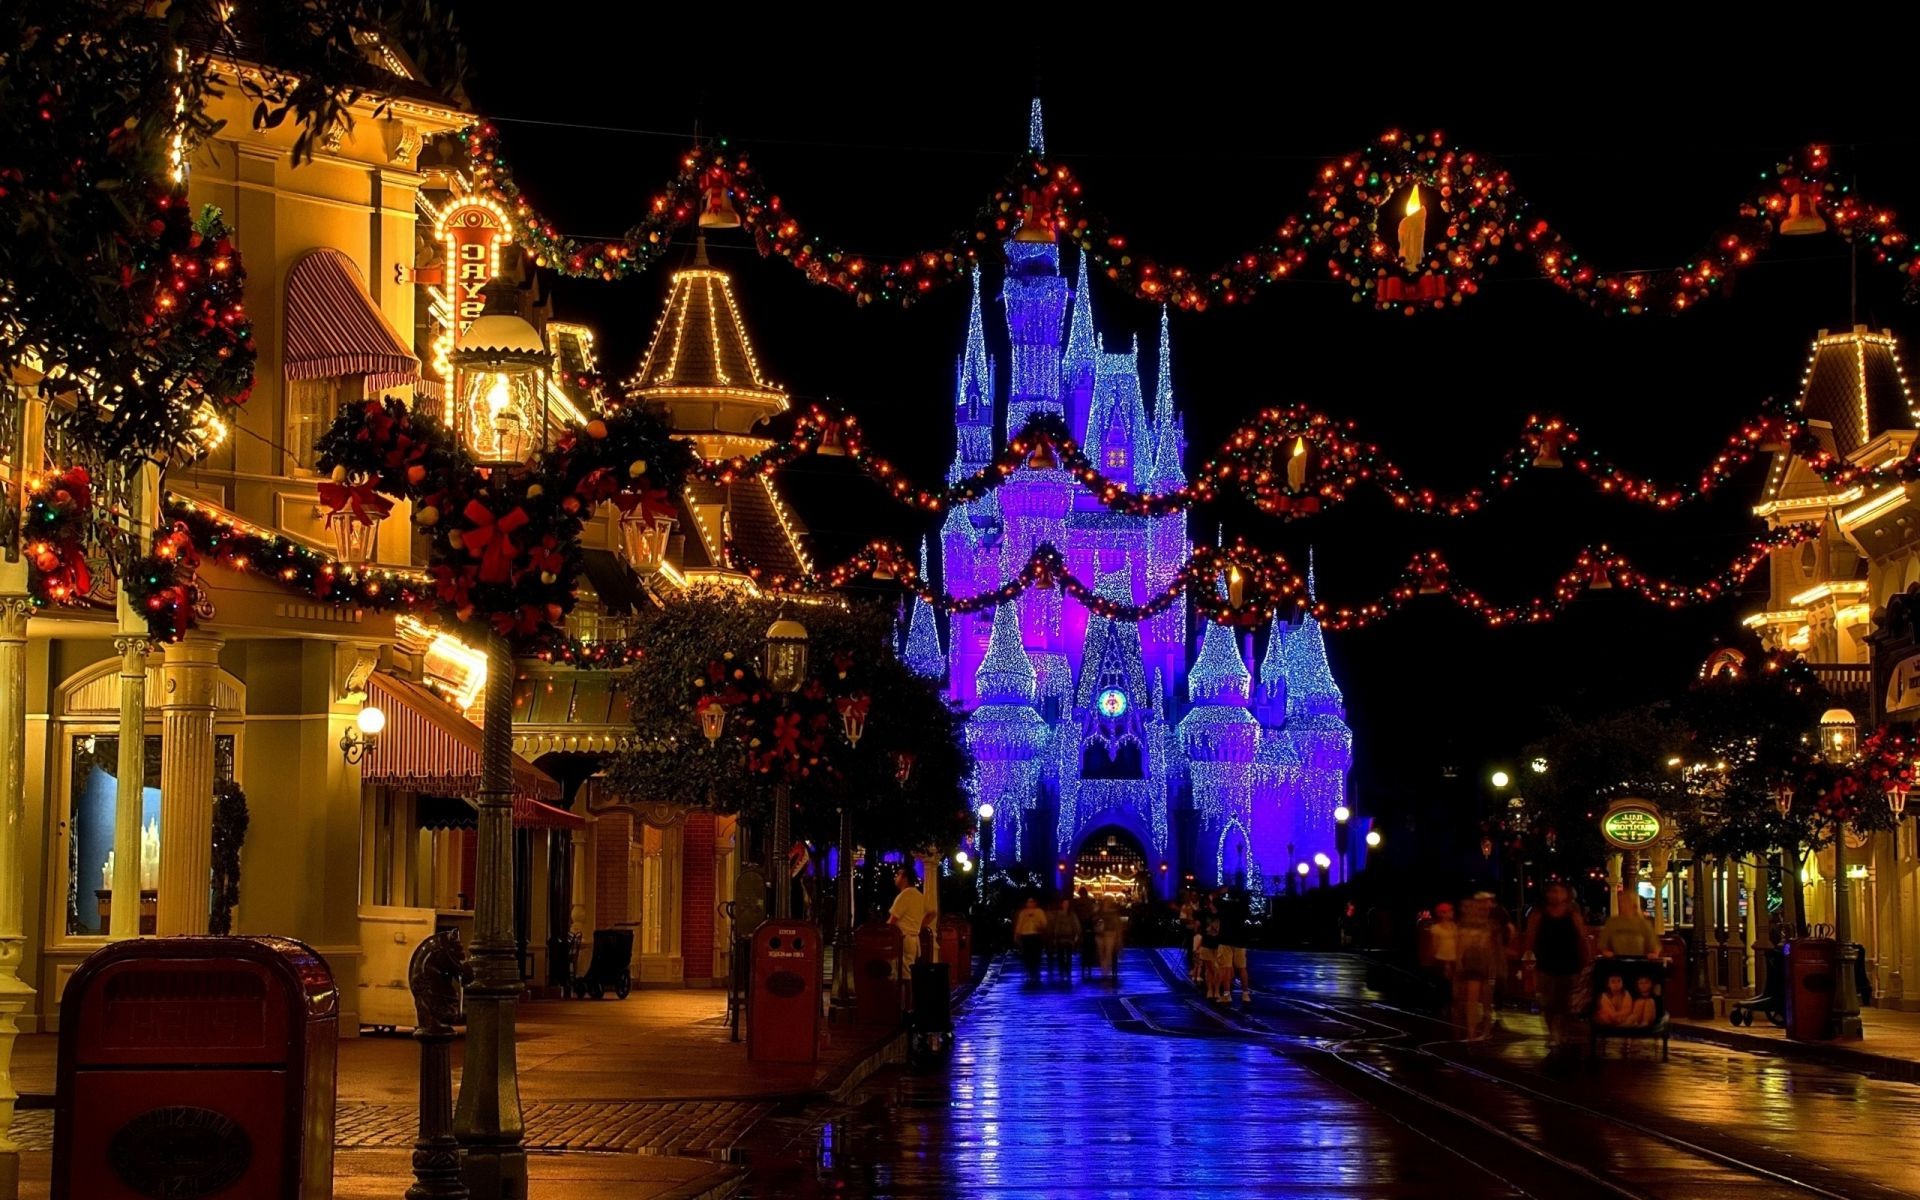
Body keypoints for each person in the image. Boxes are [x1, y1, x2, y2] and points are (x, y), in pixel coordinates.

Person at [1524, 882, 1592, 1056]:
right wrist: (1528, 967)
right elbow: (1530, 941)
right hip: (1545, 964)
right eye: (1552, 892)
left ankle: (1562, 1033)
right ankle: (1552, 1032)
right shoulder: (1538, 914)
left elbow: (1583, 938)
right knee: (1548, 1002)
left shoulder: (1573, 914)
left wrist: (1587, 961)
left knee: (1565, 1003)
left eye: (1559, 892)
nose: (1555, 895)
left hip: (1570, 963)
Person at [1453, 894, 1500, 1041]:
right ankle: (1471, 1033)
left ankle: (1485, 1031)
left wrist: (1493, 967)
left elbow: (1492, 949)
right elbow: (1460, 946)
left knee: (1486, 1001)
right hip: (1471, 966)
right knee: (1470, 1001)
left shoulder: (1489, 925)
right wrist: (1458, 963)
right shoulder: (1463, 925)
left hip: (1484, 965)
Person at [888, 867, 927, 987]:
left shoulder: (905, 895)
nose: (896, 877)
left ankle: (906, 1004)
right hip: (914, 940)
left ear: (905, 878)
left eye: (898, 874)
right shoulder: (919, 895)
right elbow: (930, 913)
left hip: (903, 939)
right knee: (908, 972)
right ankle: (908, 1003)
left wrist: (882, 933)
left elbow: (892, 921)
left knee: (904, 976)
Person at [1214, 887, 1253, 1002]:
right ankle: (1245, 993)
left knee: (1226, 968)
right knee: (1242, 968)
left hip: (1225, 940)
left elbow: (1212, 899)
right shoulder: (1243, 905)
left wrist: (1219, 892)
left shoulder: (1224, 905)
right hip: (1240, 940)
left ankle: (1227, 994)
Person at [1420, 901, 1460, 1009]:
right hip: (1441, 959)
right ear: (1442, 913)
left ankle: (1450, 1005)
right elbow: (1435, 946)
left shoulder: (1454, 927)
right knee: (1443, 984)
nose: (1452, 913)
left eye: (1451, 911)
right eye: (1449, 911)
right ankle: (1442, 1006)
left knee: (1452, 984)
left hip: (1453, 959)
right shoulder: (1436, 928)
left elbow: (1457, 943)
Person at [1596, 892, 1659, 959]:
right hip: (1616, 963)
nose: (1623, 905)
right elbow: (1603, 945)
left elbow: (1655, 947)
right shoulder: (1612, 923)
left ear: (1634, 905)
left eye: (1627, 902)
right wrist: (1606, 952)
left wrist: (1653, 955)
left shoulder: (1644, 924)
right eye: (1621, 902)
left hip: (1639, 964)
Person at [1013, 896, 1049, 978]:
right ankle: (1029, 970)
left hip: (1036, 935)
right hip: (1025, 936)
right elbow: (1019, 924)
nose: (1030, 904)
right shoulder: (1023, 913)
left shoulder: (1039, 912)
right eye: (1029, 902)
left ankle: (1035, 971)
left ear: (1035, 903)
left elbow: (1044, 923)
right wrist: (1017, 934)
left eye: (1032, 902)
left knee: (1036, 954)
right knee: (1027, 954)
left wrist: (1040, 926)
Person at [1047, 897, 1081, 978]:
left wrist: (1077, 934)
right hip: (1060, 938)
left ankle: (1068, 971)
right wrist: (1055, 936)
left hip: (1069, 938)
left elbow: (1076, 925)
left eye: (1067, 904)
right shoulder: (1058, 914)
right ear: (1062, 904)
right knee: (1060, 956)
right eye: (1064, 903)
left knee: (1068, 956)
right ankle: (1061, 971)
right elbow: (1056, 926)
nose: (1066, 905)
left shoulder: (1072, 914)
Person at [1072, 886, 1098, 978]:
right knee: (1089, 947)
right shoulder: (1090, 902)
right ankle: (1089, 967)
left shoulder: (1076, 903)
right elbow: (1094, 913)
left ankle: (1083, 966)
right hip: (1089, 926)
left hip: (1080, 926)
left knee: (1082, 948)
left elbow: (1074, 913)